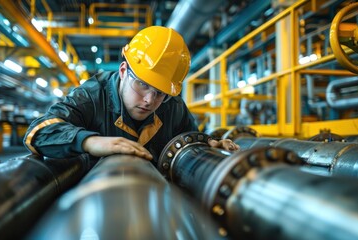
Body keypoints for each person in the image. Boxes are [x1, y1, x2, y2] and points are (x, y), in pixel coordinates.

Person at [23, 26, 239, 167]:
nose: (149, 100)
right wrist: (89, 141)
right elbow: (38, 132)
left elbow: (191, 140)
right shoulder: (91, 96)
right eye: (143, 85)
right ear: (124, 71)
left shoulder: (172, 105)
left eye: (160, 92)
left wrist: (210, 146)